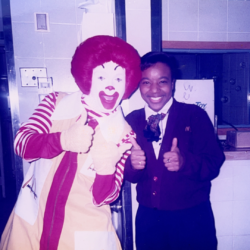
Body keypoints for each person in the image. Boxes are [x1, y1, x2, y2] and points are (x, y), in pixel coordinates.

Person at [0, 35, 141, 250]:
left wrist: (106, 170)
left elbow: (106, 197)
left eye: (119, 79)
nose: (111, 87)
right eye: (101, 77)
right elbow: (21, 143)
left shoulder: (124, 134)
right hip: (33, 225)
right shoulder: (55, 102)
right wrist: (62, 140)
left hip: (82, 234)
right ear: (87, 75)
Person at [124, 51, 225, 250]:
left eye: (162, 82)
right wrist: (133, 166)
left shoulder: (194, 115)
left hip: (192, 220)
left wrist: (185, 162)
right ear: (139, 85)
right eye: (146, 82)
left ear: (173, 83)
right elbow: (128, 175)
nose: (154, 90)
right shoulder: (131, 121)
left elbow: (214, 163)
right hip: (149, 221)